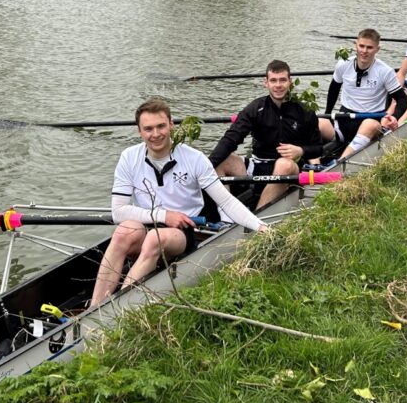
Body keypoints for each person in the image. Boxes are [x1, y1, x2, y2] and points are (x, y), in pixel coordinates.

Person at [90, 98, 266, 305]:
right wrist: (165, 215)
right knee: (122, 232)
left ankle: (118, 311)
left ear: (171, 124)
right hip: (149, 224)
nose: (155, 134)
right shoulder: (129, 157)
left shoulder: (194, 158)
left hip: (186, 231)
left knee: (155, 238)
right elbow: (118, 212)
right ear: (139, 131)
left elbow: (226, 202)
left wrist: (261, 227)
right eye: (148, 129)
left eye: (161, 126)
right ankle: (95, 306)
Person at [209, 60, 323, 210]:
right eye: (273, 80)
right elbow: (231, 138)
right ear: (266, 83)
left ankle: (256, 219)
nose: (278, 85)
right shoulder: (255, 108)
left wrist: (300, 151)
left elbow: (318, 148)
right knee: (224, 159)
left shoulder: (304, 111)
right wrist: (206, 165)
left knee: (284, 164)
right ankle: (226, 216)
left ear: (290, 82)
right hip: (257, 166)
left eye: (282, 80)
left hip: (288, 170)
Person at [319, 29, 407, 160]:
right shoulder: (343, 64)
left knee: (370, 125)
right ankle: (309, 160)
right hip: (344, 119)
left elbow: (402, 100)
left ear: (377, 49)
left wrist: (394, 117)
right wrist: (327, 113)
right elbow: (334, 89)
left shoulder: (385, 71)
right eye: (361, 46)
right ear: (356, 45)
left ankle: (339, 165)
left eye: (369, 47)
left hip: (370, 120)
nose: (364, 51)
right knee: (315, 122)